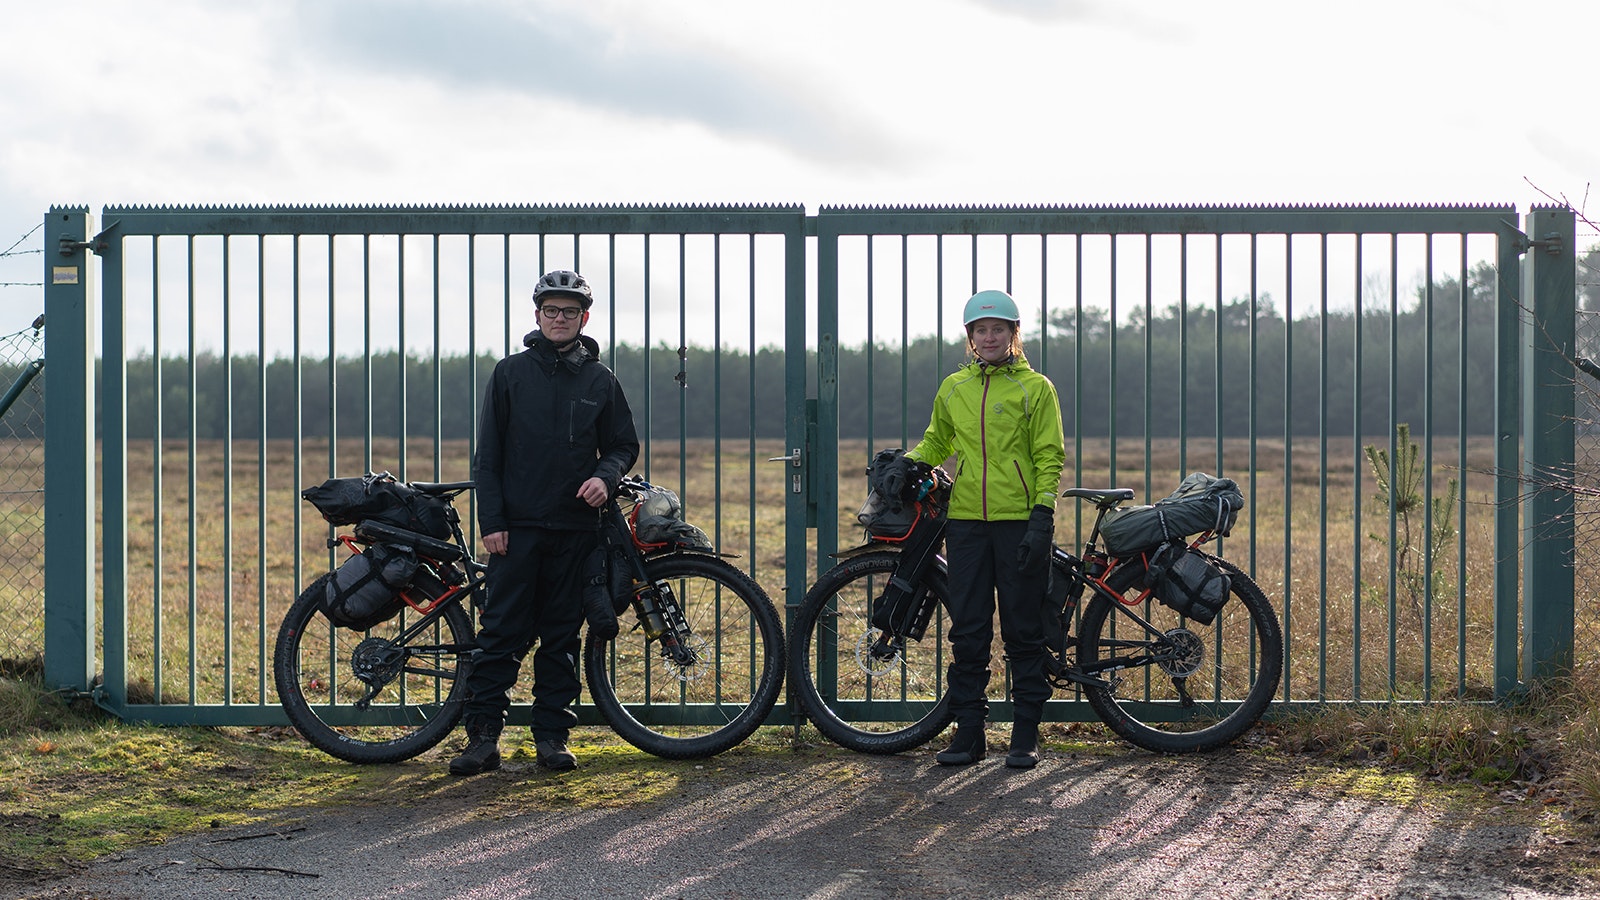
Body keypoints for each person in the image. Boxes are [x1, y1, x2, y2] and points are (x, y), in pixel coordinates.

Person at [450, 269, 640, 776]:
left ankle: (552, 738)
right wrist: (492, 520)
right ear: (537, 316)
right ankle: (482, 740)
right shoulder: (510, 373)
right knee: (500, 636)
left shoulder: (601, 379)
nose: (560, 319)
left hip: (577, 529)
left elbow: (624, 444)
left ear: (584, 318)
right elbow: (487, 457)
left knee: (561, 638)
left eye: (570, 312)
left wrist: (606, 474)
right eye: (551, 311)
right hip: (516, 530)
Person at [902, 289, 1066, 769]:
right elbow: (937, 440)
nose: (989, 337)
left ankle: (1025, 734)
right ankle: (969, 732)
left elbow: (1048, 455)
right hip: (968, 521)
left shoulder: (1036, 388)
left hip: (1020, 522)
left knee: (1023, 628)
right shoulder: (955, 387)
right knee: (969, 629)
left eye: (998, 329)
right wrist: (906, 463)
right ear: (970, 337)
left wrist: (1042, 513)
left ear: (1014, 335)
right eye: (981, 330)